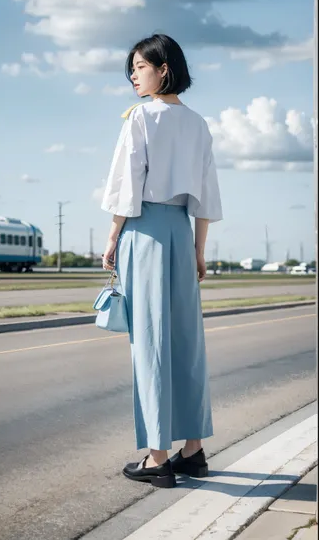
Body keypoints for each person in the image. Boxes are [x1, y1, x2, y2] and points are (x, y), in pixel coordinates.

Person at [100, 33, 222, 489]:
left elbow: (126, 187)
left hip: (145, 231)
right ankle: (193, 451)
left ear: (163, 68)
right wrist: (198, 250)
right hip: (182, 232)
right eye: (131, 69)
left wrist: (113, 237)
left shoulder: (140, 119)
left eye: (139, 67)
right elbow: (205, 195)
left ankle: (157, 458)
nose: (133, 76)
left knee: (150, 344)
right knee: (187, 343)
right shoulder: (198, 124)